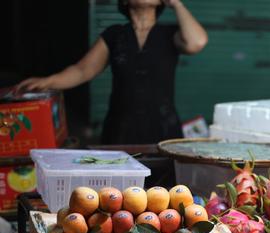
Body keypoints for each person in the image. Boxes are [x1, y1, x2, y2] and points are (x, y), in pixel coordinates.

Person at [17, 0, 207, 145]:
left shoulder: (170, 34)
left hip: (164, 129)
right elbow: (82, 71)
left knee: (163, 191)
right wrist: (47, 81)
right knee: (116, 191)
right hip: (120, 128)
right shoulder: (114, 35)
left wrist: (176, 3)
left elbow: (197, 42)